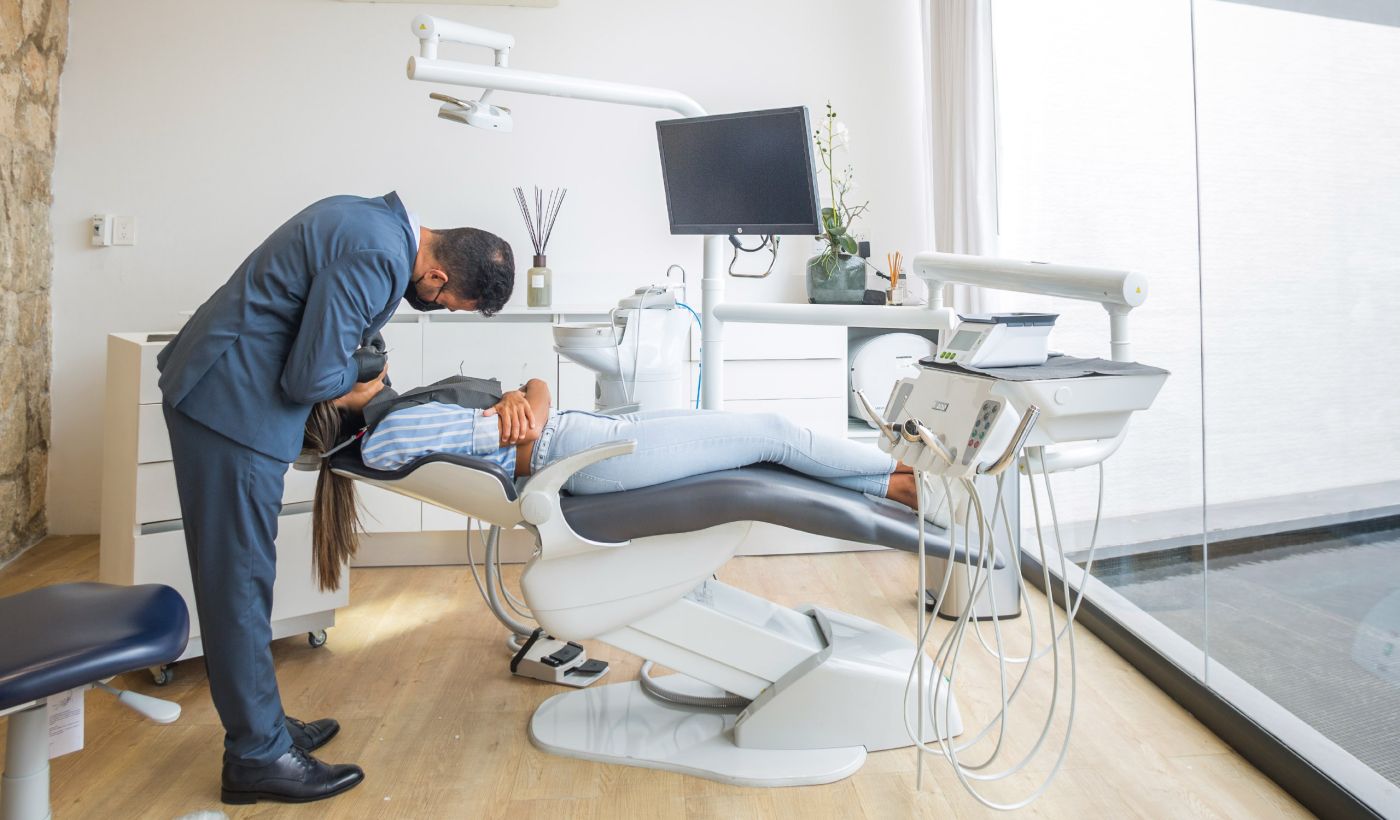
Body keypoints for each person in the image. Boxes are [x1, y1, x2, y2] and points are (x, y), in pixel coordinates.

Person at [156, 192, 515, 805]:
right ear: (436, 276)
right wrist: (360, 381)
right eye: (446, 303)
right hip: (229, 408)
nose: (435, 306)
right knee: (238, 583)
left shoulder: (373, 221)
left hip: (226, 392)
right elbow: (310, 378)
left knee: (247, 579)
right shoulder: (378, 257)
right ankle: (256, 756)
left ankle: (263, 725)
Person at [301, 374, 947, 591]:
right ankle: (905, 484)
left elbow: (528, 403)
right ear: (332, 397)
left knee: (759, 443)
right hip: (580, 456)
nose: (368, 354)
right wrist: (525, 398)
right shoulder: (392, 432)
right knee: (770, 434)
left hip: (581, 436)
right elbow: (524, 424)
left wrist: (527, 397)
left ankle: (894, 484)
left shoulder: (391, 420)